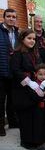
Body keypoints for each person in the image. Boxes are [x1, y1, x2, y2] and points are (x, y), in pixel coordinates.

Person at [10, 29, 42, 149]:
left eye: (34, 39)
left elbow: (39, 67)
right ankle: (26, 141)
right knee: (25, 117)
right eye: (29, 38)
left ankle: (35, 138)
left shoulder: (35, 52)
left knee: (34, 115)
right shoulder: (17, 53)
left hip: (34, 86)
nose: (32, 41)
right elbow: (16, 71)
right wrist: (29, 82)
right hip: (22, 89)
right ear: (22, 39)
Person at [0, 8, 19, 136]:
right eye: (9, 16)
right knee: (0, 101)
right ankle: (0, 126)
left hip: (13, 72)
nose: (11, 18)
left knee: (13, 99)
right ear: (4, 17)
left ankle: (12, 121)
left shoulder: (17, 32)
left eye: (13, 17)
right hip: (1, 72)